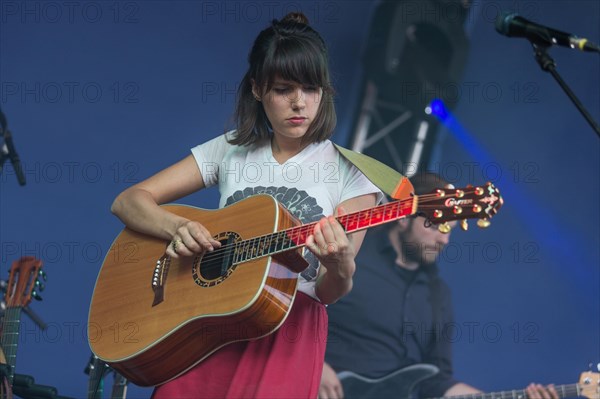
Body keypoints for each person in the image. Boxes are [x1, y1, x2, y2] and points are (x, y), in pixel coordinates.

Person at [110, 12, 382, 399]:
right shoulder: (231, 148)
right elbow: (128, 201)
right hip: (206, 324)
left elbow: (328, 292)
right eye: (283, 89)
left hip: (286, 333)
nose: (299, 103)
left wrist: (341, 264)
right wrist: (176, 228)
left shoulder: (354, 173)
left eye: (310, 88)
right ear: (257, 89)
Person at [319, 172, 559, 399]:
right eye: (436, 226)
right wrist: (315, 365)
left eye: (449, 231)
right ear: (403, 217)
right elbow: (294, 310)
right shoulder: (352, 256)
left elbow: (435, 382)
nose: (444, 239)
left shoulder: (437, 295)